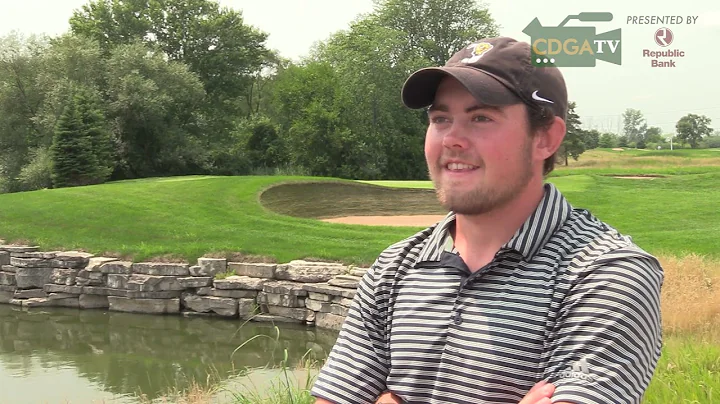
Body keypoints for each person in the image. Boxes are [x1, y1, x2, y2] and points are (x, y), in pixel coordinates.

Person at [310, 36, 664, 404]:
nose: (452, 139)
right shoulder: (395, 267)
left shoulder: (606, 274)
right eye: (441, 118)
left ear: (546, 137)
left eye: (481, 117)